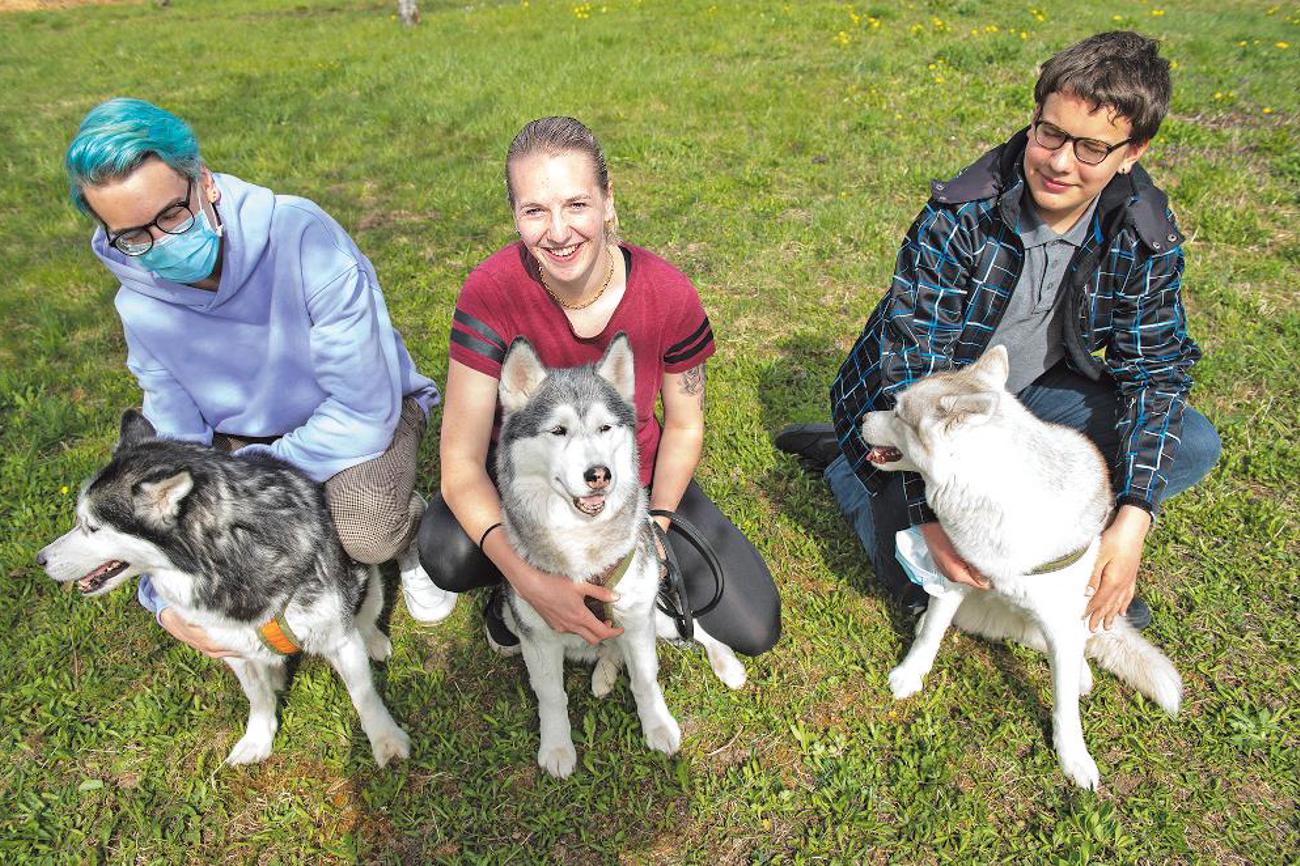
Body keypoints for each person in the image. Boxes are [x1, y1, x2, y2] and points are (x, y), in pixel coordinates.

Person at [776, 32, 1220, 631]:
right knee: (919, 582)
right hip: (919, 406)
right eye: (1051, 133)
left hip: (1026, 396)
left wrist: (1133, 519)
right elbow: (910, 364)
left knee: (1191, 444)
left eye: (1092, 148)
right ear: (1034, 120)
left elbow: (1156, 375)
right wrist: (924, 519)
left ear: (1131, 152)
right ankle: (853, 464)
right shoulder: (961, 214)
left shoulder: (1143, 231)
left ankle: (1051, 545)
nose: (1060, 162)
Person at [64, 98, 456, 656]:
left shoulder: (303, 237)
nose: (161, 244)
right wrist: (164, 600)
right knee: (214, 522)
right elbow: (173, 440)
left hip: (362, 416)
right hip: (244, 442)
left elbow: (363, 408)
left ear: (204, 182)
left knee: (366, 531)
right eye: (133, 236)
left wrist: (248, 482)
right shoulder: (139, 307)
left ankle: (406, 536)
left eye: (172, 215)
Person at [418, 116, 780, 657]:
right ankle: (512, 596)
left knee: (754, 627)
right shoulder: (490, 293)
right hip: (530, 482)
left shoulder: (668, 294)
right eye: (535, 211)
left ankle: (629, 577)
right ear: (514, 215)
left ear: (609, 201)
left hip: (631, 480)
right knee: (447, 552)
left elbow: (685, 426)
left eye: (576, 204)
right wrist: (528, 580)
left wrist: (656, 525)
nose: (558, 232)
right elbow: (461, 461)